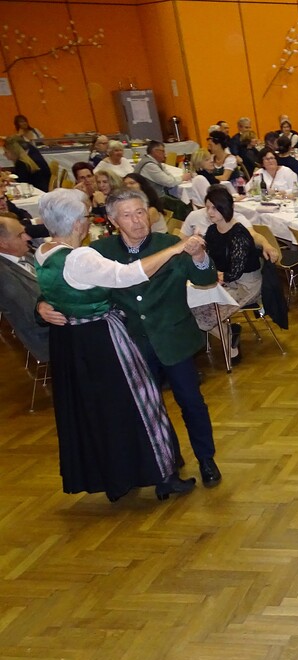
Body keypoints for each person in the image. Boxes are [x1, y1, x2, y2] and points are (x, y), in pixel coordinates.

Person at [34, 189, 202, 501]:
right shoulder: (81, 256)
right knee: (144, 403)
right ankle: (163, 476)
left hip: (72, 344)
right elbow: (127, 275)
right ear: (77, 223)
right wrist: (176, 248)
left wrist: (43, 305)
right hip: (103, 340)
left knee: (106, 411)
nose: (88, 222)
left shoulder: (44, 251)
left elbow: (58, 289)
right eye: (86, 217)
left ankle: (124, 474)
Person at [90, 188, 224, 490]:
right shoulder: (101, 251)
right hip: (133, 344)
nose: (137, 220)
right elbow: (75, 285)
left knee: (191, 402)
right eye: (127, 215)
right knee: (150, 409)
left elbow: (204, 279)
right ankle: (168, 462)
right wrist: (44, 305)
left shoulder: (170, 244)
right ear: (113, 221)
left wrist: (199, 255)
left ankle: (206, 458)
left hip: (174, 338)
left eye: (140, 212)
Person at [190, 186, 279, 363]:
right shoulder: (213, 231)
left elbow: (236, 270)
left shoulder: (239, 234)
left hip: (247, 285)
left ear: (226, 208)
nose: (210, 212)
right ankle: (229, 334)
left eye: (214, 208)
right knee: (192, 309)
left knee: (204, 315)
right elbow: (210, 258)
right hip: (225, 279)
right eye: (207, 207)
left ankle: (230, 342)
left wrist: (218, 277)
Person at [0, 215, 50, 361]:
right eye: (20, 235)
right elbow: (33, 314)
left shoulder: (24, 255)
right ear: (3, 243)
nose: (27, 237)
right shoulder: (3, 275)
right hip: (47, 335)